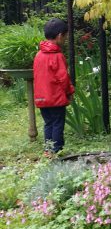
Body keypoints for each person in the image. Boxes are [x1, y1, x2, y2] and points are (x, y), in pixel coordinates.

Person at [33, 18, 75, 154]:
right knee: (57, 124)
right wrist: (70, 92)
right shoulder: (57, 56)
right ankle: (57, 151)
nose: (66, 39)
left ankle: (48, 151)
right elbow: (63, 78)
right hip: (55, 98)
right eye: (65, 36)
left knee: (48, 123)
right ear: (59, 36)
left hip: (41, 99)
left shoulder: (38, 55)